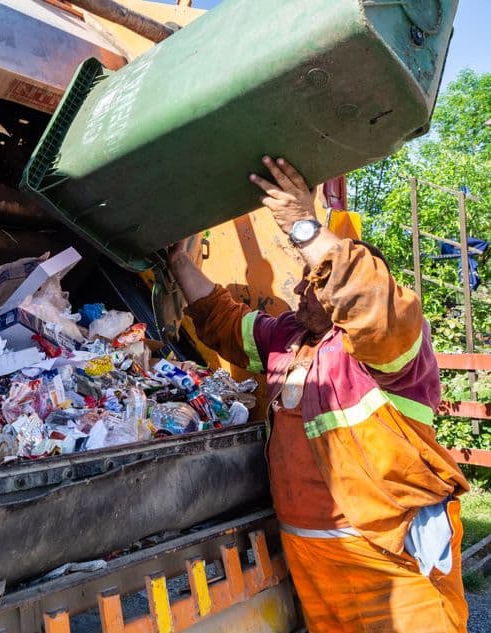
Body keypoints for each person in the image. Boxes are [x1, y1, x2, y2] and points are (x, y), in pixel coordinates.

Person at [168, 156, 470, 633]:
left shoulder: (388, 343)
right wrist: (179, 262)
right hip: (313, 558)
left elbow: (368, 299)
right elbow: (224, 321)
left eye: (312, 282)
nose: (297, 289)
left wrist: (304, 226)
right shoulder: (292, 337)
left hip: (388, 555)